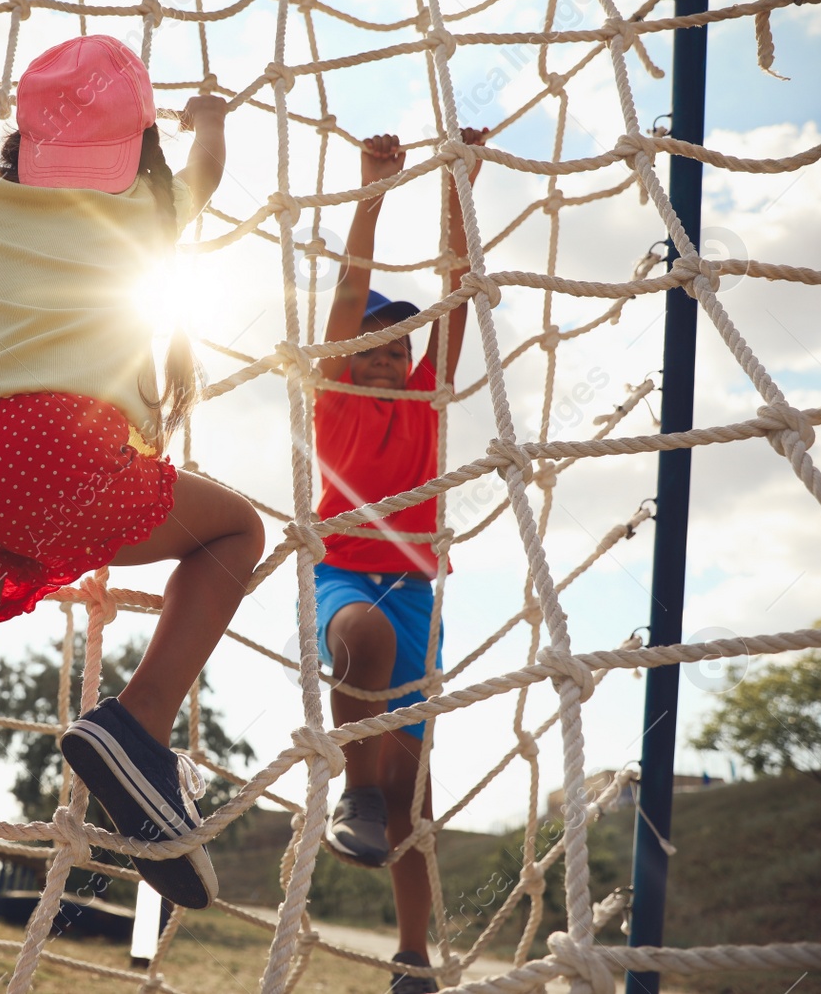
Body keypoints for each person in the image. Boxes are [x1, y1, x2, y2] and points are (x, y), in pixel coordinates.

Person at [0, 35, 264, 994]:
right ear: (140, 150)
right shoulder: (147, 204)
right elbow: (206, 169)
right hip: (52, 447)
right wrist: (211, 122)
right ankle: (139, 725)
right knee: (235, 531)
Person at [313, 128, 487, 993]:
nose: (385, 354)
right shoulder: (334, 397)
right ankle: (354, 791)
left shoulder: (426, 403)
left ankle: (413, 954)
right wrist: (373, 189)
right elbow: (350, 287)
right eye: (372, 343)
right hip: (347, 573)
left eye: (398, 346)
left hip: (418, 587)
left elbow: (457, 297)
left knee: (413, 794)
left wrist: (461, 184)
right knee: (359, 637)